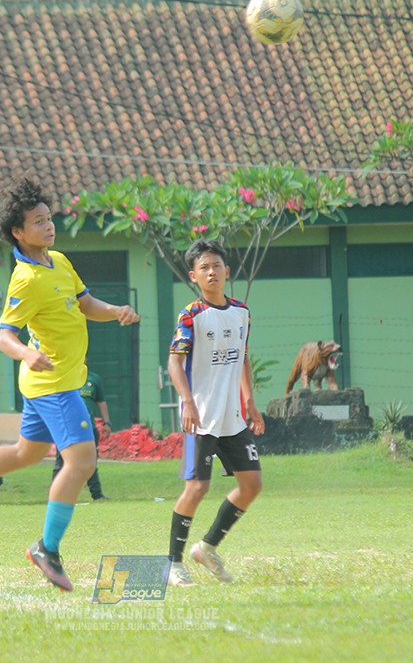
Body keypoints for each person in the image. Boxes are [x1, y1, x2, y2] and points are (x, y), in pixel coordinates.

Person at [0, 175, 140, 592]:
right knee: (81, 461)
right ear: (17, 233)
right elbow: (5, 335)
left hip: (53, 382)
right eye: (38, 221)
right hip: (52, 383)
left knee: (28, 452)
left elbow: (85, 304)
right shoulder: (24, 279)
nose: (48, 225)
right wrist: (27, 352)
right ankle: (47, 548)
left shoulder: (58, 261)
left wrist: (115, 311)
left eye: (49, 218)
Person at [165, 239, 265, 588]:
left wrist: (250, 401)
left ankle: (207, 547)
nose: (212, 272)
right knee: (197, 487)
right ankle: (173, 563)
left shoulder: (242, 312)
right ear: (194, 276)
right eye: (204, 267)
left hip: (233, 418)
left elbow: (243, 356)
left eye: (217, 266)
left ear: (227, 271)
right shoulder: (191, 315)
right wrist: (187, 402)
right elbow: (175, 362)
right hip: (201, 417)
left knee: (251, 485)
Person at [51, 368, 110, 501]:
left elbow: (101, 401)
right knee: (61, 461)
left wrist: (107, 422)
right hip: (67, 427)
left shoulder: (93, 378)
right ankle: (54, 496)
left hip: (89, 427)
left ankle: (97, 495)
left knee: (90, 462)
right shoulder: (63, 376)